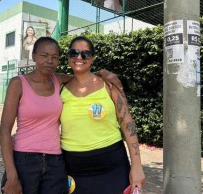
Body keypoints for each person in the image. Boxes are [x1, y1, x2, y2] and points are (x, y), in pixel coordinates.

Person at [0, 37, 123, 194]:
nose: (49, 60)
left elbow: (83, 77)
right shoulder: (18, 83)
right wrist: (11, 175)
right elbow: (4, 130)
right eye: (44, 55)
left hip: (55, 162)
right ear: (34, 56)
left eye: (55, 57)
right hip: (24, 160)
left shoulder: (58, 80)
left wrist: (104, 73)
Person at [60, 36, 145, 194]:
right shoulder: (59, 88)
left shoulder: (109, 85)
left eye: (85, 54)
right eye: (74, 53)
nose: (79, 57)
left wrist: (137, 166)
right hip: (74, 169)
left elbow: (128, 125)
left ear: (92, 58)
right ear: (68, 57)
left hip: (112, 166)